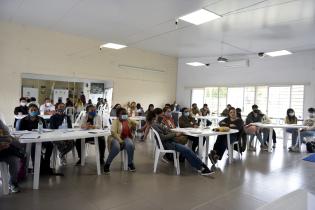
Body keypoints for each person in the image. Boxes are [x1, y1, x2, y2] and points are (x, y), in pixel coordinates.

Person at [150, 108, 214, 175]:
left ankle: (201, 166)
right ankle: (202, 168)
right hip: (167, 143)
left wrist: (174, 132)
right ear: (156, 115)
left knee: (187, 149)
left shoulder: (158, 123)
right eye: (162, 115)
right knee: (187, 150)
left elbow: (166, 131)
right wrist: (175, 134)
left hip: (169, 141)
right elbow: (162, 137)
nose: (163, 116)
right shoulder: (155, 125)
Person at [19, 104, 54, 174]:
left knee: (50, 144)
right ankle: (36, 167)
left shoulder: (41, 119)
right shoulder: (23, 120)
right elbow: (20, 133)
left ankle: (46, 164)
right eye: (31, 110)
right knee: (34, 146)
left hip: (40, 138)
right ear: (28, 111)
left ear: (37, 111)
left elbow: (44, 130)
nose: (33, 111)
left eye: (35, 110)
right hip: (28, 140)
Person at [104, 108, 137, 173]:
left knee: (130, 144)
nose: (124, 115)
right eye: (122, 114)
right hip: (115, 138)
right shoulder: (115, 121)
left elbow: (136, 125)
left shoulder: (128, 120)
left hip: (126, 137)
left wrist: (132, 123)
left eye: (125, 114)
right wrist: (120, 141)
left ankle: (130, 163)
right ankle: (107, 163)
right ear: (118, 115)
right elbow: (113, 133)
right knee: (116, 147)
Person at [0, 119, 25, 193]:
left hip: (5, 150)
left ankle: (12, 183)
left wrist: (7, 141)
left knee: (15, 161)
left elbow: (6, 134)